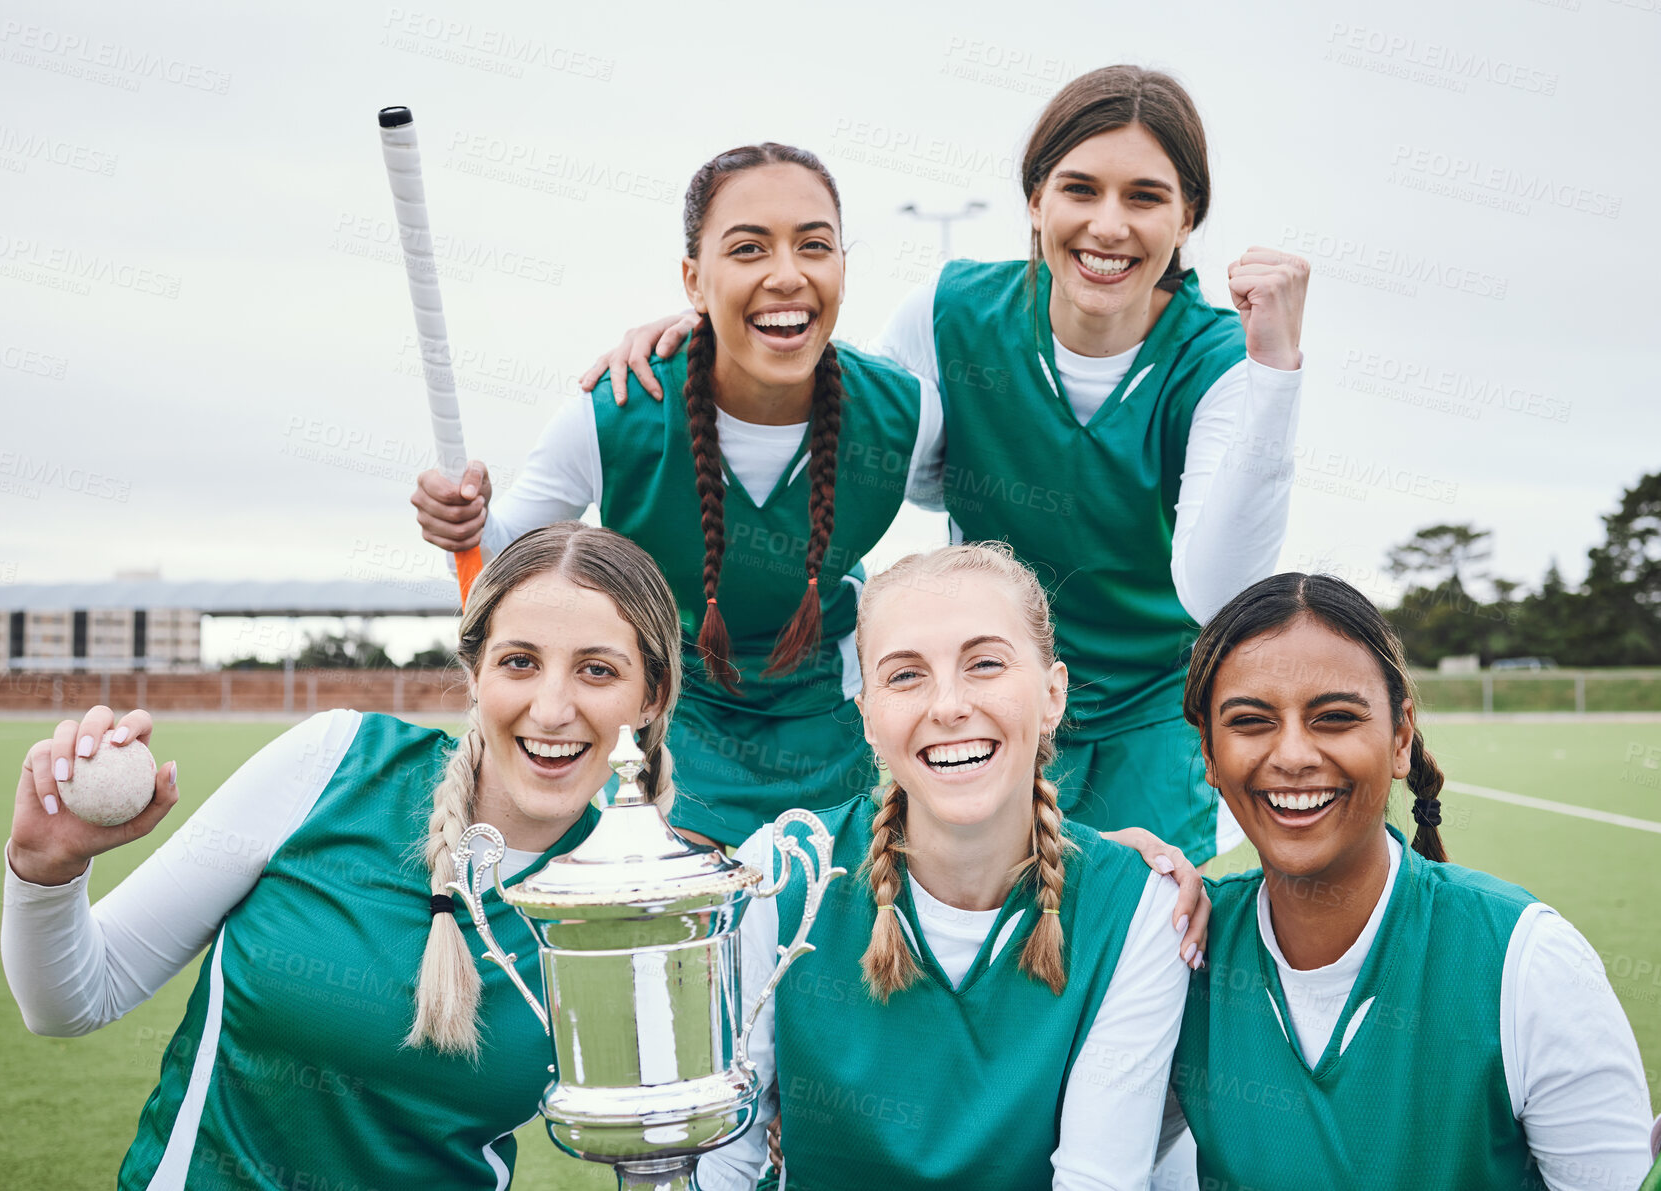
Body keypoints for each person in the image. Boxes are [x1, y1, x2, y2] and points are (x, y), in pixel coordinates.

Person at [583, 65, 1309, 868]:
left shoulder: (1217, 360)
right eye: (1079, 189)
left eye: (1143, 196)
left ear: (1188, 216)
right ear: (1035, 201)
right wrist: (718, 334)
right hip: (992, 696)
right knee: (986, 939)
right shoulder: (948, 310)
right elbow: (851, 426)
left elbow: (1215, 591)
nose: (1108, 224)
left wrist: (1273, 370)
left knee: (1137, 942)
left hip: (1149, 715)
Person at [2, 522, 685, 1189]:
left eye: (597, 669)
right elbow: (72, 999)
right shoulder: (330, 765)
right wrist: (47, 871)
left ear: (649, 696)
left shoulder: (628, 907)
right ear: (474, 672)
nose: (552, 706)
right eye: (519, 661)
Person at [414, 143, 945, 847]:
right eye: (748, 249)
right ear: (694, 280)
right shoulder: (614, 412)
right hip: (664, 727)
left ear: (842, 266)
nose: (786, 275)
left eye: (813, 246)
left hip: (833, 725)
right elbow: (501, 560)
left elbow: (974, 523)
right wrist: (463, 520)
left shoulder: (907, 412)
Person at [698, 543, 1201, 1191]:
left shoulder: (1137, 908)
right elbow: (717, 1159)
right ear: (868, 719)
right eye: (905, 675)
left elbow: (1097, 1179)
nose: (947, 705)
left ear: (1052, 695)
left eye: (984, 663)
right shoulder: (785, 871)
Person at [1165, 573, 1654, 1188]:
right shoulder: (1175, 950)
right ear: (1209, 752)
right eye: (1251, 721)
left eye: (1335, 717)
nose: (1292, 755)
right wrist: (1104, 877)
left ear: (1400, 738)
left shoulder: (1528, 962)